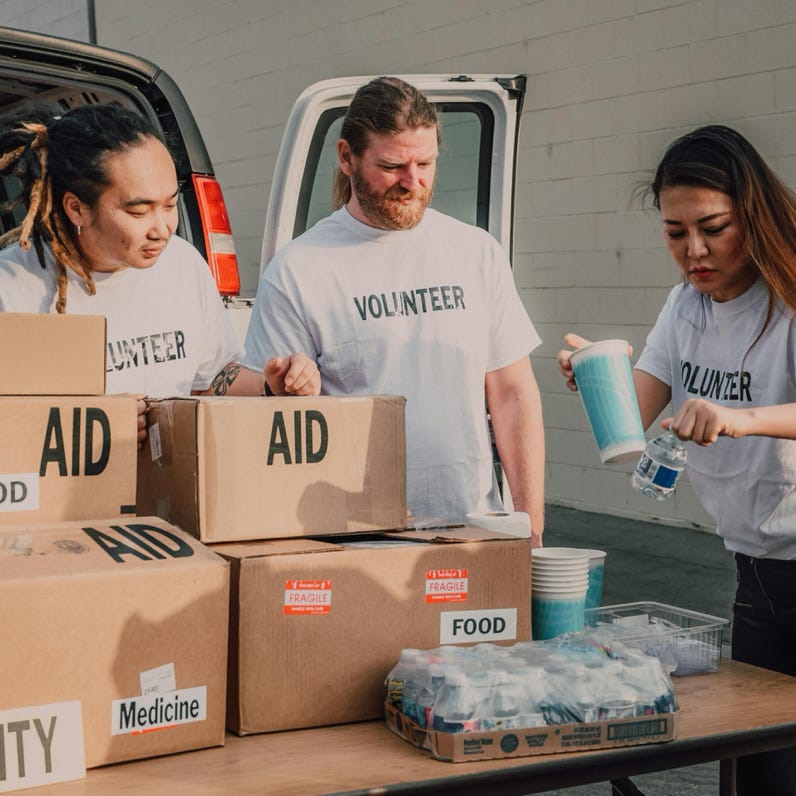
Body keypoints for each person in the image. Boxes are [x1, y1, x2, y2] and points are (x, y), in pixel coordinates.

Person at [558, 125, 796, 796]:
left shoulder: (789, 296)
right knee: (757, 773)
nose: (694, 251)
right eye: (674, 232)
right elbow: (633, 418)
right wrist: (594, 373)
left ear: (750, 213)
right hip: (756, 574)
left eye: (713, 227)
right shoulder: (686, 305)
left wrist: (741, 419)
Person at [242, 76, 545, 545]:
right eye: (392, 165)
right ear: (346, 158)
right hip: (355, 539)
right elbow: (279, 429)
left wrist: (531, 526)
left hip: (475, 530)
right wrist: (285, 386)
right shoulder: (299, 270)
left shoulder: (475, 252)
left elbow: (511, 394)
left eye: (425, 163)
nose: (413, 182)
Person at [0, 104, 318, 444]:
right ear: (77, 208)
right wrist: (93, 425)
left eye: (169, 205)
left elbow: (210, 380)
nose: (163, 229)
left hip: (171, 489)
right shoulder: (14, 288)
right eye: (139, 211)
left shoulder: (183, 264)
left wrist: (273, 387)